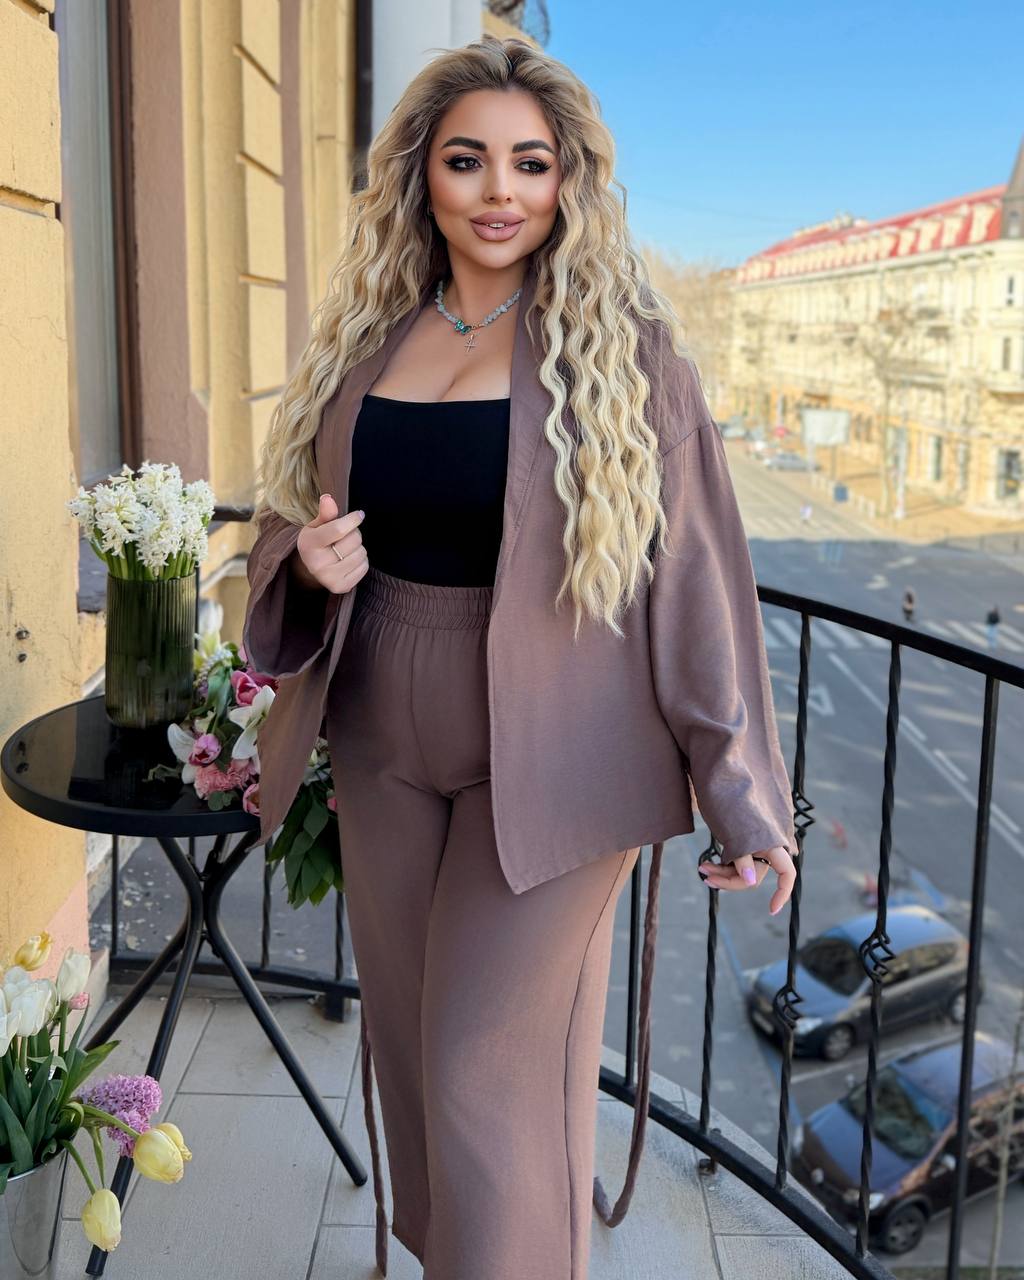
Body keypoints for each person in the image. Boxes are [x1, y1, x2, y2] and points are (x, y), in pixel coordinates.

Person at [241, 35, 798, 1280]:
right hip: (381, 731)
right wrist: (305, 560)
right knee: (411, 1051)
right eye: (468, 160)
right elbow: (289, 511)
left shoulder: (625, 354)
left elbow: (697, 582)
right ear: (420, 176)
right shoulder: (369, 341)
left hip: (561, 743)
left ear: (567, 181)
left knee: (478, 1068)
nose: (500, 190)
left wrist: (744, 792)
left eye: (531, 163)